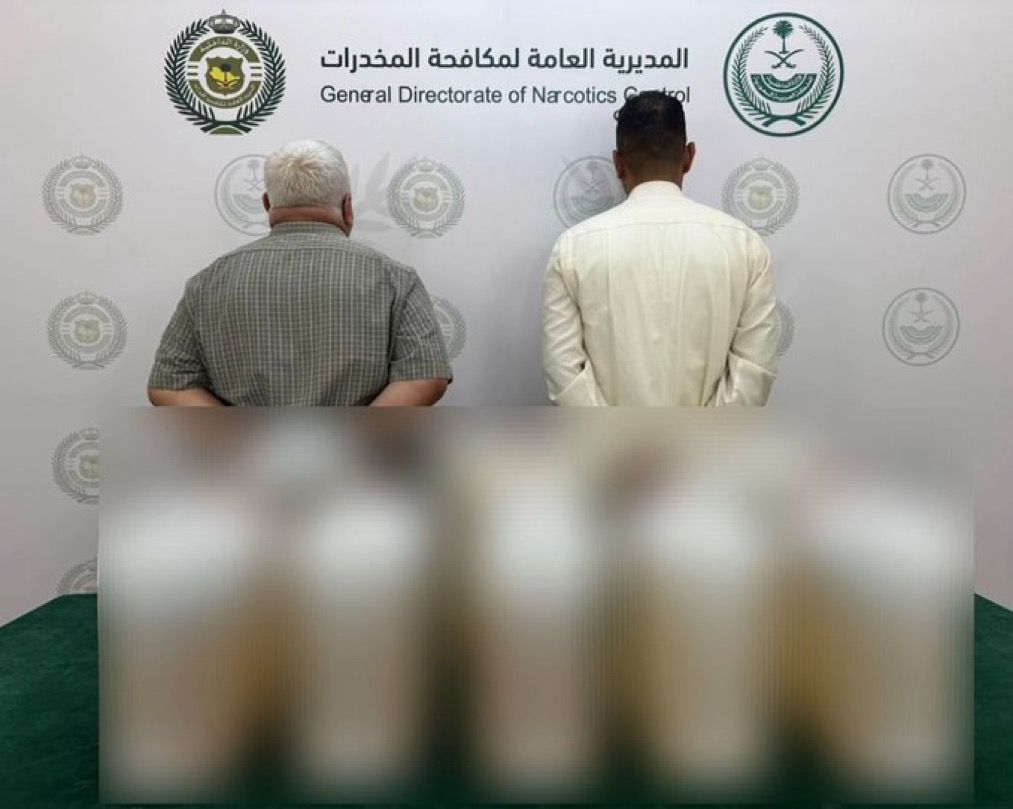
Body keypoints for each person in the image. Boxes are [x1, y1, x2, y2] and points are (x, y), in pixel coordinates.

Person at [148, 140, 452, 406]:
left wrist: (241, 440)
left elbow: (169, 384)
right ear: (348, 206)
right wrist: (353, 440)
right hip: (359, 453)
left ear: (267, 203)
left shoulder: (208, 283)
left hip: (249, 455)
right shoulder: (395, 279)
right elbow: (425, 377)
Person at [542, 91, 778, 406]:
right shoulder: (745, 245)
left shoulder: (573, 248)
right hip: (710, 439)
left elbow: (565, 377)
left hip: (608, 439)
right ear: (689, 156)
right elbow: (752, 376)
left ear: (618, 163)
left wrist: (614, 436)